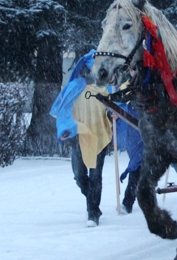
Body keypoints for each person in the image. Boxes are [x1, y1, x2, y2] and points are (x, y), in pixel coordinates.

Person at [51, 50, 112, 227]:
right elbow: (63, 113)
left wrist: (112, 113)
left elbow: (113, 106)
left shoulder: (103, 89)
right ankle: (93, 202)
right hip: (79, 137)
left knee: (95, 177)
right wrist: (64, 128)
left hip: (98, 137)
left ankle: (93, 213)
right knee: (79, 175)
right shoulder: (72, 88)